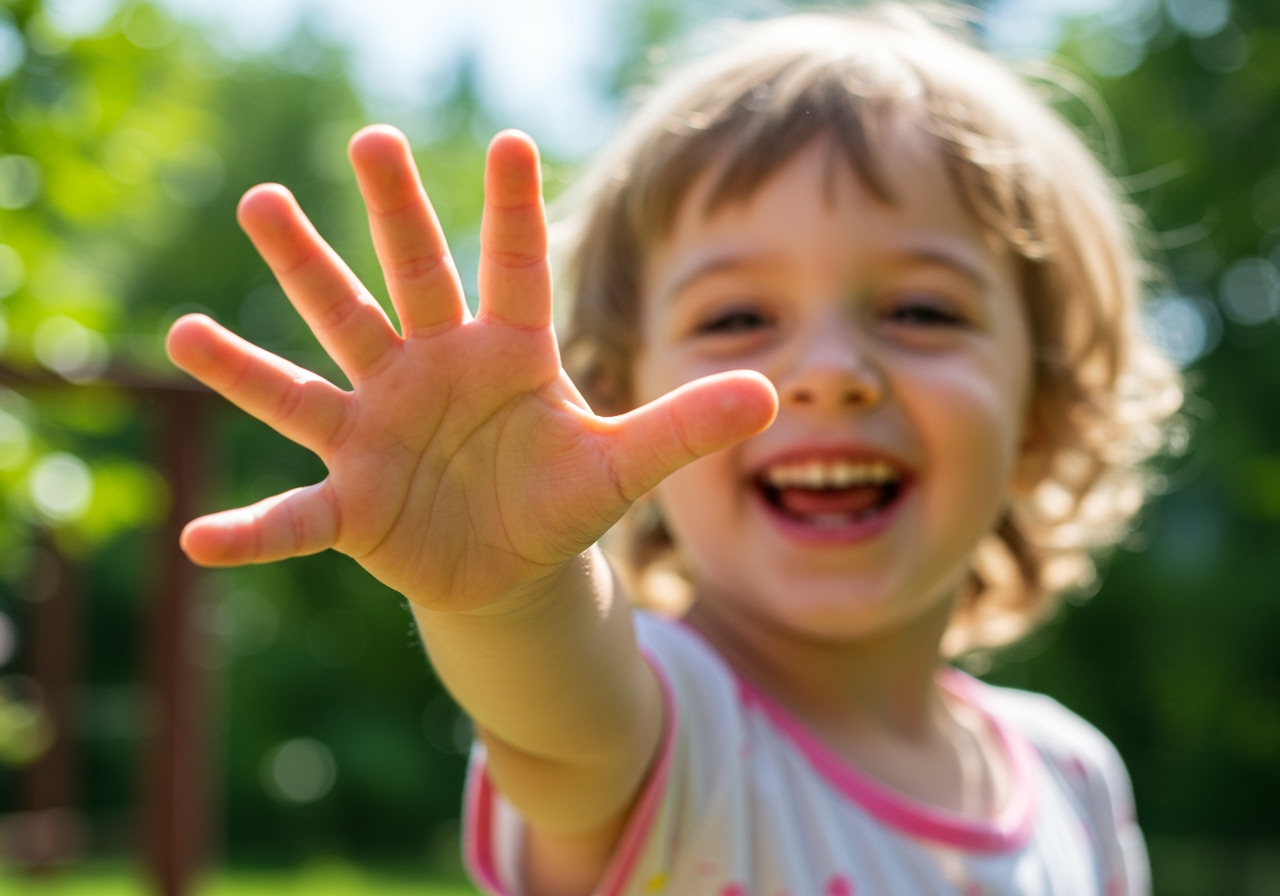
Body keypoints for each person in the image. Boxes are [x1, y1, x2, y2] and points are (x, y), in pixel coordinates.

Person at [166, 5, 1182, 895]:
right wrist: (507, 595)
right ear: (612, 399)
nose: (827, 370)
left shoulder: (1072, 777)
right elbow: (560, 716)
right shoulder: (671, 730)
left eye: (919, 309)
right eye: (738, 315)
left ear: (1043, 400)